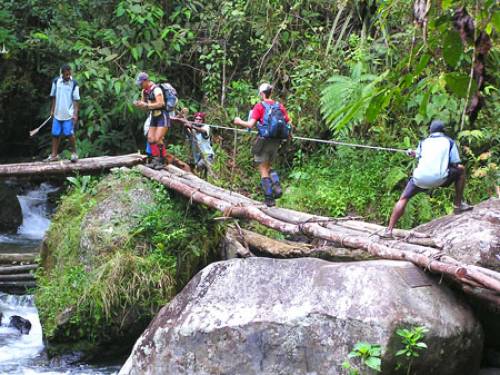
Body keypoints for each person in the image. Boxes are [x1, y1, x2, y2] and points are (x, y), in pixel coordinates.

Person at [385, 120, 472, 237]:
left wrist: (413, 152)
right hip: (439, 179)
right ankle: (458, 205)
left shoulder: (424, 142)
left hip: (419, 179)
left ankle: (389, 230)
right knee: (461, 170)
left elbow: (418, 154)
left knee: (403, 198)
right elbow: (455, 163)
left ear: (430, 131)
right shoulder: (449, 142)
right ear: (443, 131)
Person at [233, 83, 292, 207]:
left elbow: (250, 124)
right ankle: (276, 185)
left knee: (263, 168)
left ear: (261, 93)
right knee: (269, 165)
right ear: (271, 92)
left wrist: (238, 121)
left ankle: (269, 198)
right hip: (277, 141)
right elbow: (289, 122)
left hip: (264, 140)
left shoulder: (259, 106)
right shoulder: (279, 106)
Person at [133, 72, 170, 170]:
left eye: (141, 83)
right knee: (150, 138)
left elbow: (161, 103)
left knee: (158, 138)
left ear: (146, 81)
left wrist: (147, 105)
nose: (140, 85)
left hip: (162, 116)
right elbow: (145, 106)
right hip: (154, 116)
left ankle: (162, 160)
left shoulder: (156, 89)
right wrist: (140, 105)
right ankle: (155, 159)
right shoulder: (144, 91)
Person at [46, 64, 80, 162]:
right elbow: (53, 96)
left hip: (68, 114)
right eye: (66, 74)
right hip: (57, 113)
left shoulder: (74, 83)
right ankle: (54, 155)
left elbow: (76, 100)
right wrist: (52, 110)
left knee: (69, 133)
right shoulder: (56, 82)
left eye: (69, 74)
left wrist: (75, 114)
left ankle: (74, 153)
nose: (68, 76)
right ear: (62, 74)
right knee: (55, 134)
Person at [183, 112, 214, 176]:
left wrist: (192, 126)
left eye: (200, 120)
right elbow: (189, 135)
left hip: (207, 156)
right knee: (194, 167)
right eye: (196, 119)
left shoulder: (206, 127)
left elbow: (203, 131)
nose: (198, 121)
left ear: (203, 121)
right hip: (197, 157)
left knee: (199, 166)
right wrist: (185, 126)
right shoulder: (193, 130)